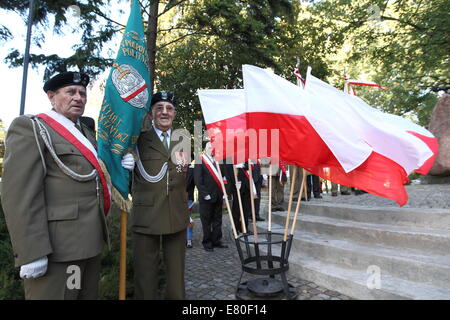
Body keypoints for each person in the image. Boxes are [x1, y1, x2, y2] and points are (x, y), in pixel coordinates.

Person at [1, 71, 133, 300]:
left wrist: (120, 164)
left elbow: (94, 174)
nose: (78, 97)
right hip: (58, 249)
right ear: (52, 96)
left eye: (82, 93)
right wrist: (32, 253)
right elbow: (20, 194)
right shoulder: (32, 128)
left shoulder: (86, 133)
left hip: (90, 244)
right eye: (70, 92)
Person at [131, 91, 189, 300]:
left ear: (174, 113)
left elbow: (185, 176)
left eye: (169, 108)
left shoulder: (183, 138)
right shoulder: (138, 138)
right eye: (159, 108)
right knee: (145, 274)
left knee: (176, 274)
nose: (165, 112)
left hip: (176, 212)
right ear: (151, 113)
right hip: (147, 213)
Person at [194, 142, 228, 252]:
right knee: (206, 220)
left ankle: (216, 240)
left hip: (218, 195)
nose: (211, 149)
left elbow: (223, 177)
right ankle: (207, 242)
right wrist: (205, 194)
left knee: (218, 219)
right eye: (209, 147)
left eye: (213, 147)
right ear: (205, 148)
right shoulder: (200, 159)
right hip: (207, 197)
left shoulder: (218, 160)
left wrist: (224, 194)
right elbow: (198, 180)